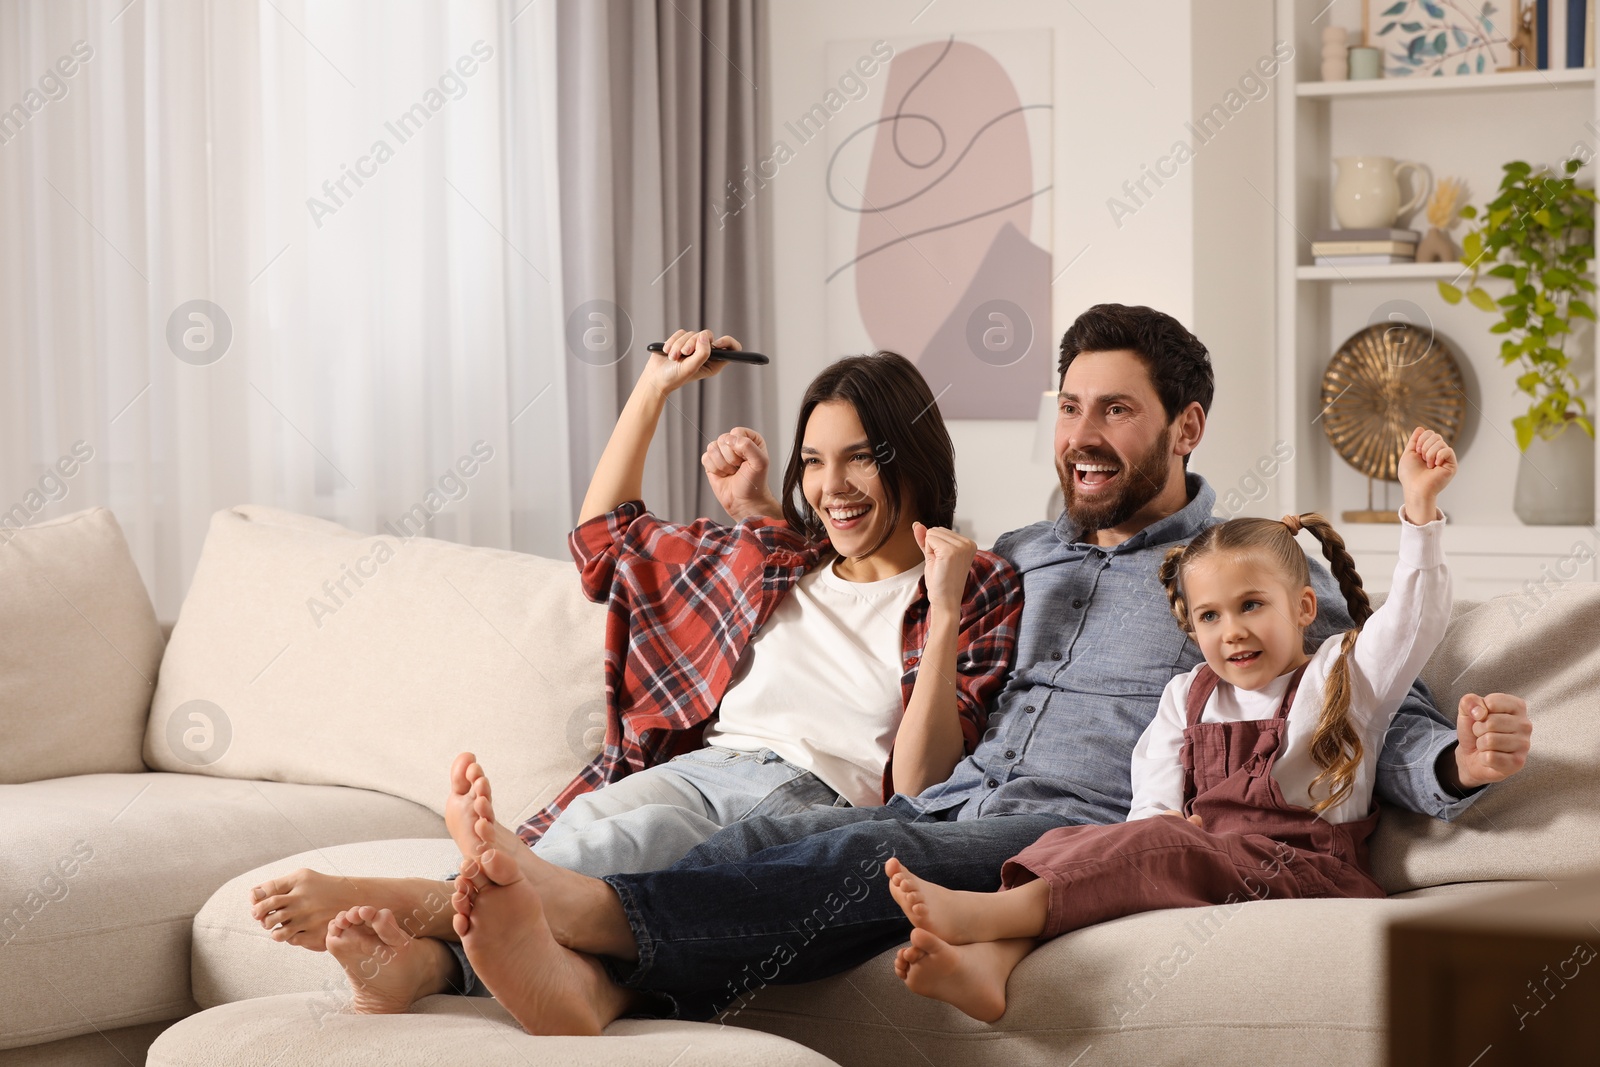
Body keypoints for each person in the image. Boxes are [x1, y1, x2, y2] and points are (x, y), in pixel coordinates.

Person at [313, 304, 1535, 1035]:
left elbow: (1371, 688)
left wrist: (1449, 762)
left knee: (851, 853)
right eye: (1067, 408)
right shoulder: (1011, 557)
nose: (1081, 436)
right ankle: (548, 977)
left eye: (1115, 410)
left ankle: (560, 912)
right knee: (768, 847)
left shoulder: (1236, 572)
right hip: (944, 794)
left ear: (1186, 425)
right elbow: (854, 588)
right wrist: (749, 503)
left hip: (1068, 825)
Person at [250, 330, 1024, 991]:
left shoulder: (974, 582)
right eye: (814, 461)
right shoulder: (778, 556)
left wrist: (947, 606)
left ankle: (407, 897)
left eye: (858, 460)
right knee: (588, 829)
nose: (830, 486)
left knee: (628, 849)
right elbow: (603, 541)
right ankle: (425, 970)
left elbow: (924, 784)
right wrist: (655, 386)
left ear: (912, 457)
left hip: (809, 796)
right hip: (703, 765)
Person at [880, 426, 1469, 1022]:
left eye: (1252, 605)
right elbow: (1151, 809)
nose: (1232, 630)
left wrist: (1420, 510)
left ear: (1304, 608)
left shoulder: (1341, 679)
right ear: (1192, 629)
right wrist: (1142, 840)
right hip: (1204, 855)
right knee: (1072, 840)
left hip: (1308, 872)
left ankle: (985, 913)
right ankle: (992, 965)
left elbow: (1414, 621)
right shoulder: (1187, 694)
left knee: (1170, 843)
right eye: (1210, 616)